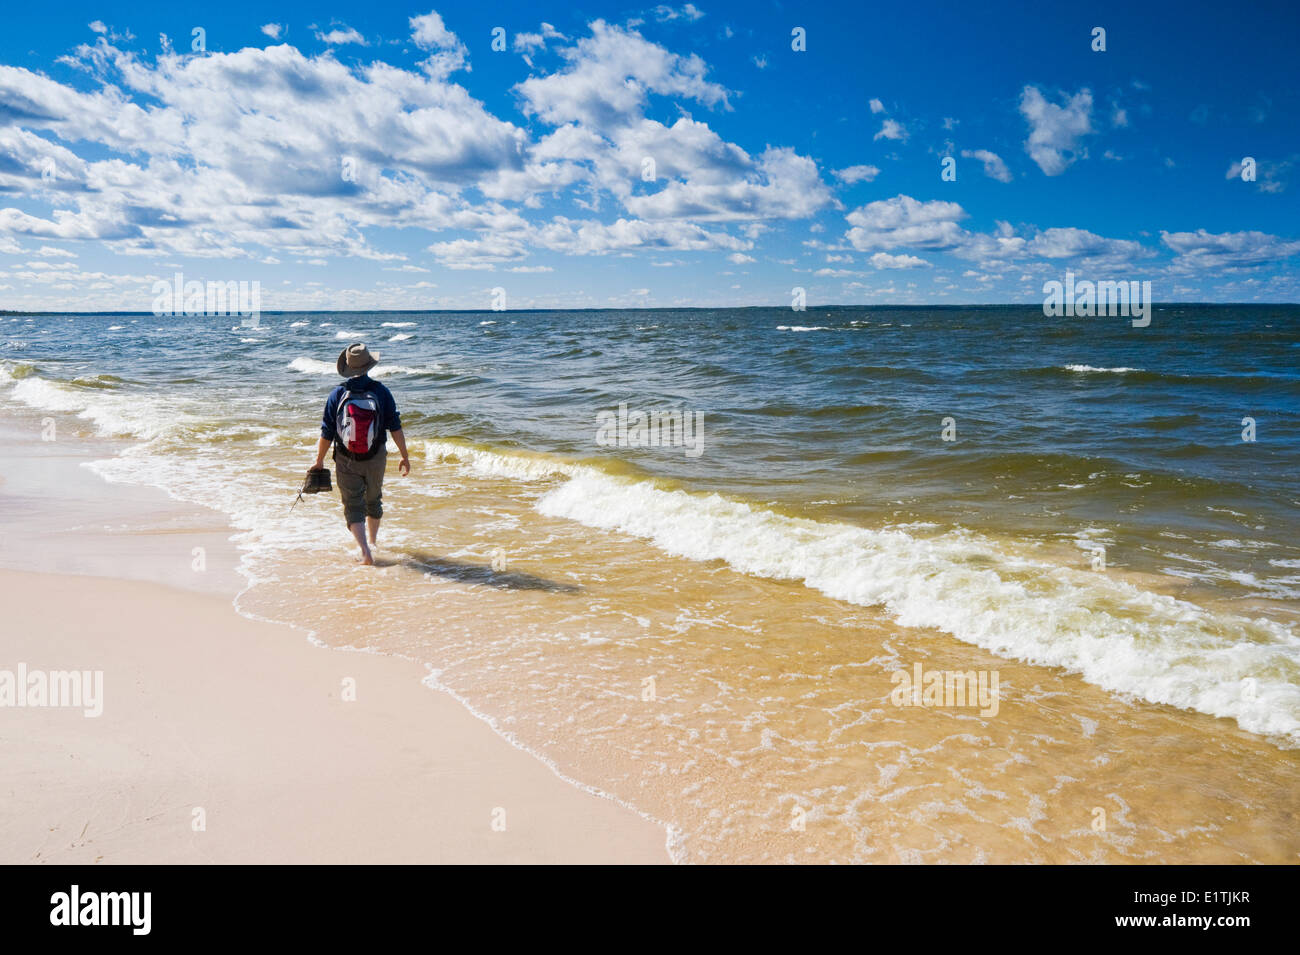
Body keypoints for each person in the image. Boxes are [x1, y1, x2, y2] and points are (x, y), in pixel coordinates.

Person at [312, 343, 410, 564]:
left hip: (346, 459)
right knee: (374, 500)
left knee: (353, 505)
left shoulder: (337, 393)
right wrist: (404, 456)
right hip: (376, 458)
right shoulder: (381, 391)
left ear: (348, 367)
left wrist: (319, 461)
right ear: (368, 365)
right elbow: (395, 426)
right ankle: (373, 541)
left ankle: (365, 550)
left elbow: (327, 431)